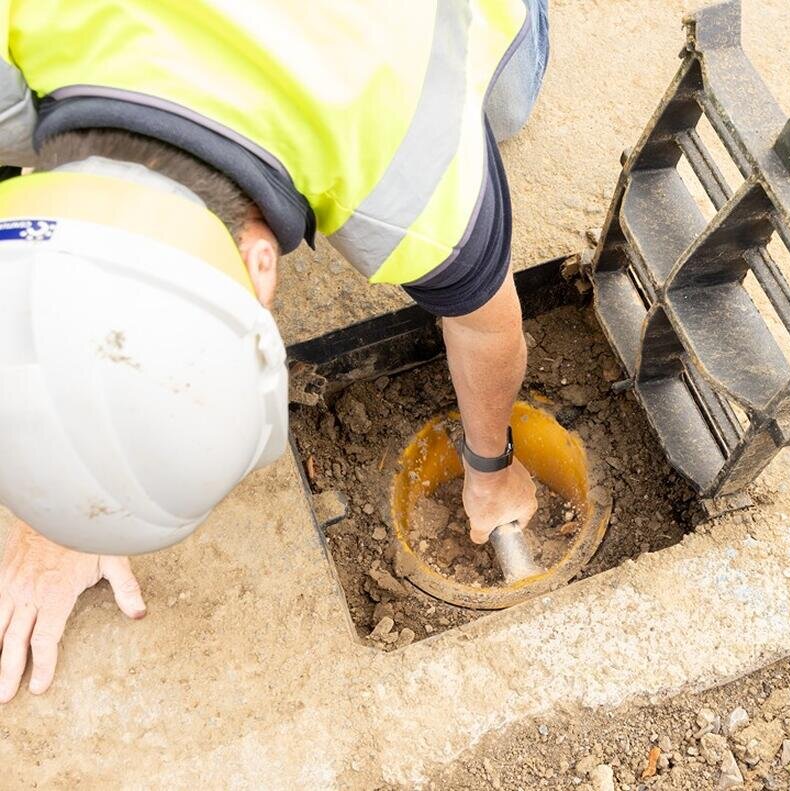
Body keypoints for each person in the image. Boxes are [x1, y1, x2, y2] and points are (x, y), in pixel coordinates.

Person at [0, 0, 550, 702]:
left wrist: (491, 465)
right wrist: (65, 488)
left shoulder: (410, 167)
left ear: (262, 264)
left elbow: (486, 323)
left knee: (502, 104)